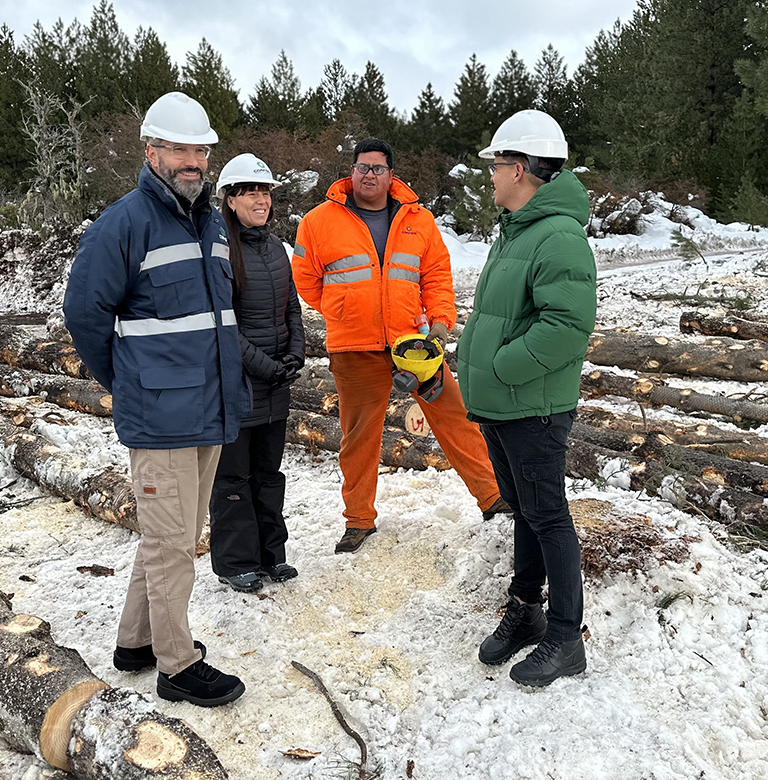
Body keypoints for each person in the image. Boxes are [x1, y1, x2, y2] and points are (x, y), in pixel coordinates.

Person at [63, 91, 249, 707]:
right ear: (152, 152)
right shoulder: (124, 224)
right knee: (173, 547)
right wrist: (129, 383)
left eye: (199, 150)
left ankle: (136, 644)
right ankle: (176, 664)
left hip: (210, 408)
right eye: (179, 149)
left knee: (170, 537)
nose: (192, 161)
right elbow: (85, 314)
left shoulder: (211, 223)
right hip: (161, 414)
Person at [292, 139, 510, 555]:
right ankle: (358, 521)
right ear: (350, 172)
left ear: (392, 175)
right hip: (353, 348)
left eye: (377, 168)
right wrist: (344, 310)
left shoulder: (418, 220)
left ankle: (493, 498)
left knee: (456, 417)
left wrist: (441, 324)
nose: (369, 174)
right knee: (358, 437)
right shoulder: (318, 221)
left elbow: (436, 277)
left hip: (414, 345)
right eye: (361, 167)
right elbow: (306, 281)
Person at [457, 109, 597, 687]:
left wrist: (500, 366)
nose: (490, 174)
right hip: (503, 402)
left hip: (531, 404)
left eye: (495, 164)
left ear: (518, 168)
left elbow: (567, 324)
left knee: (550, 518)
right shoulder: (516, 227)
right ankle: (527, 610)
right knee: (527, 513)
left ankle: (567, 638)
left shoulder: (558, 233)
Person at [208, 153, 305, 593]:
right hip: (236, 385)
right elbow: (223, 324)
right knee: (233, 477)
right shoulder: (220, 251)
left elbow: (291, 307)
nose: (260, 199)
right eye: (250, 191)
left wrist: (296, 354)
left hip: (274, 386)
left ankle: (271, 556)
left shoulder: (276, 248)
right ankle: (235, 562)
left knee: (269, 474)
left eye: (265, 191)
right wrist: (266, 367)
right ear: (230, 199)